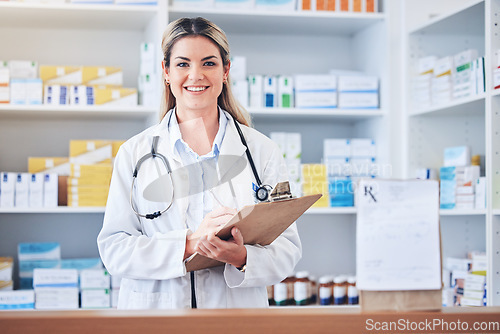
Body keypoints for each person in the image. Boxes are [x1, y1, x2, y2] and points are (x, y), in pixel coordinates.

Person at [97, 17, 302, 309]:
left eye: (208, 63)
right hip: (157, 317)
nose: (196, 75)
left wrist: (241, 258)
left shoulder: (262, 151)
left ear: (225, 70)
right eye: (182, 64)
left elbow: (287, 250)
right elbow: (115, 249)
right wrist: (191, 244)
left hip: (235, 318)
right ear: (166, 71)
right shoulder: (135, 153)